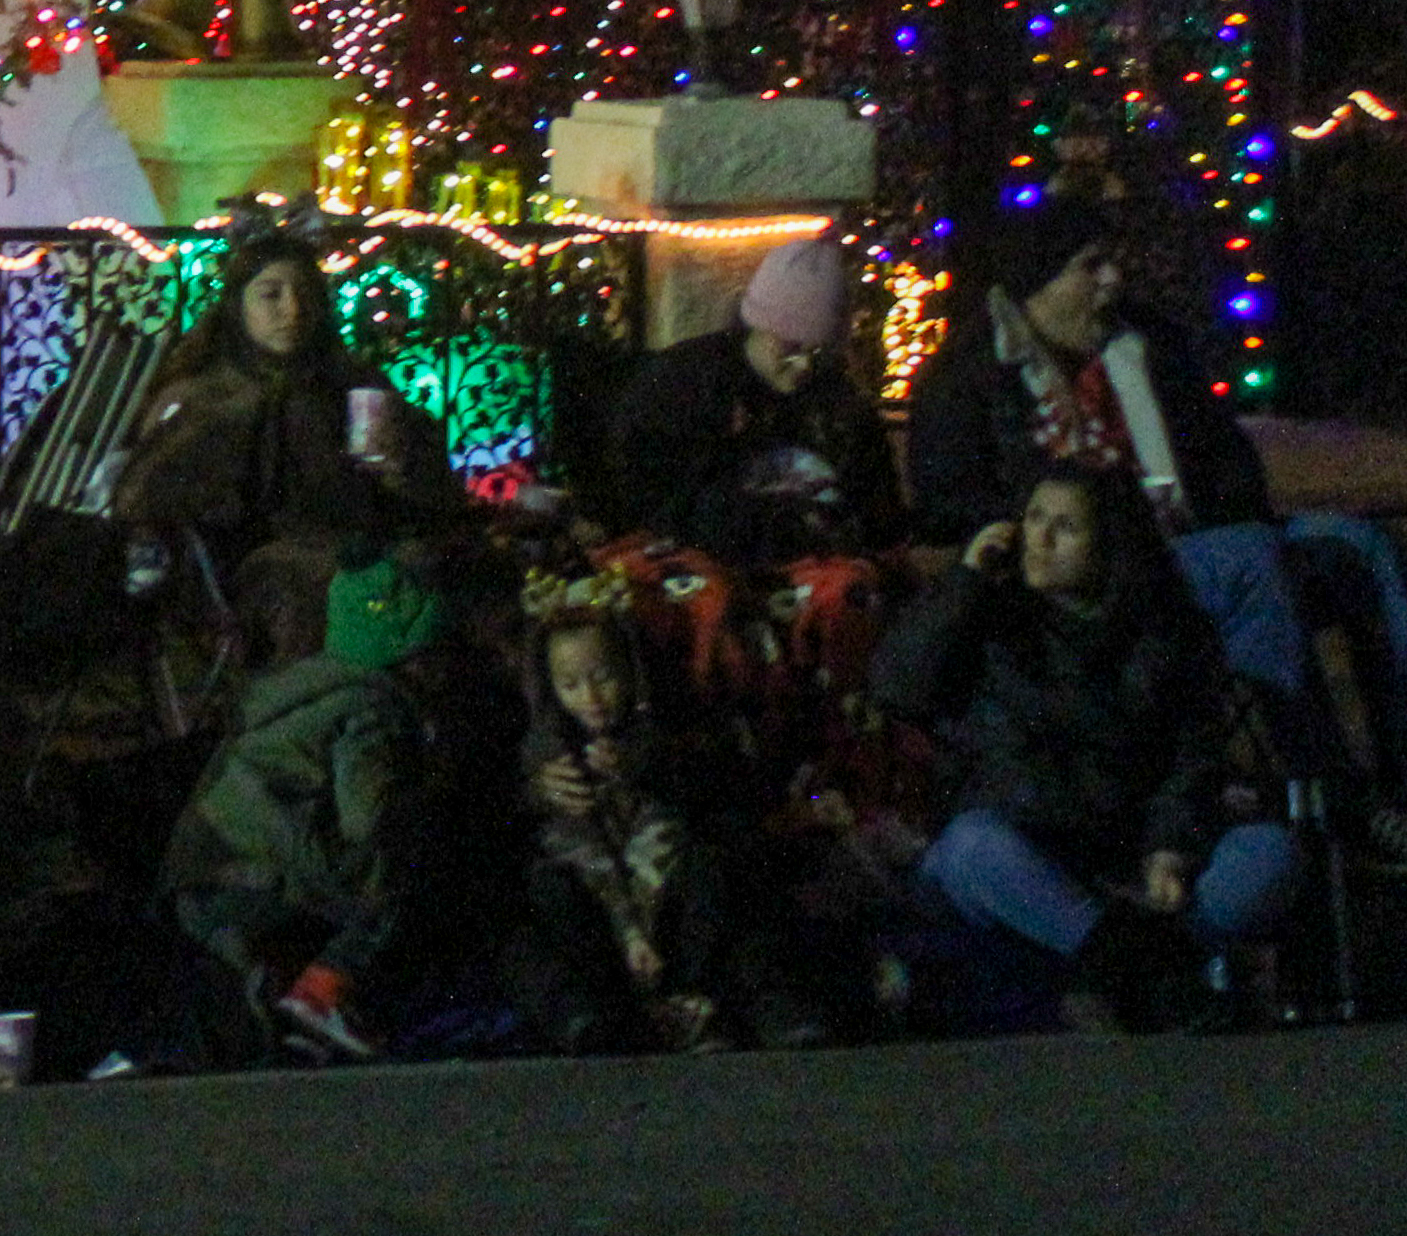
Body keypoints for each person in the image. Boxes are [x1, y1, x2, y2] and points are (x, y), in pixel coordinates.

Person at [904, 201, 1407, 817]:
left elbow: (1228, 457)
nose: (1112, 280)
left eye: (1113, 262)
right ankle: (1326, 788)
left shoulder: (1146, 346)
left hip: (1200, 540)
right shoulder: (967, 379)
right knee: (1251, 563)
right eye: (1091, 267)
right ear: (1038, 285)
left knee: (1363, 547)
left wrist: (1224, 507)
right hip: (1101, 574)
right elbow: (947, 508)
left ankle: (1398, 779)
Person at [873, 463, 1302, 1032]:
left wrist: (1168, 851)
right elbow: (897, 689)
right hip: (1032, 858)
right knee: (972, 850)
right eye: (1033, 519)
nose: (1039, 540)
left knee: (1267, 857)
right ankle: (1150, 974)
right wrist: (965, 580)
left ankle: (1115, 970)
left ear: (1109, 545)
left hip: (1130, 855)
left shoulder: (1165, 630)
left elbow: (1191, 760)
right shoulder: (987, 615)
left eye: (1066, 527)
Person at [160, 553, 466, 1062]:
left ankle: (270, 1001)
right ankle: (323, 995)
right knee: (410, 870)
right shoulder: (373, 706)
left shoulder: (300, 690)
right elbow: (366, 815)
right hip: (258, 874)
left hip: (199, 877)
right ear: (409, 655)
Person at [592, 236, 904, 725]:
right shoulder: (684, 387)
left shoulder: (841, 408)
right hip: (702, 551)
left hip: (810, 564)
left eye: (818, 352)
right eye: (790, 347)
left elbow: (874, 508)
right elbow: (646, 497)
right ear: (758, 325)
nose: (802, 366)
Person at [119, 225, 444, 660]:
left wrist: (400, 471)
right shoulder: (204, 395)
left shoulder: (351, 384)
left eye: (305, 295)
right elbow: (152, 500)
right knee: (314, 589)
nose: (292, 310)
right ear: (239, 306)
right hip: (249, 564)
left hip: (366, 544)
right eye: (271, 295)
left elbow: (420, 487)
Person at [499, 601, 774, 1054]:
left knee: (717, 872)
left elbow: (702, 805)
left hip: (670, 907)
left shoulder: (669, 725)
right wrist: (537, 794)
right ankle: (596, 1019)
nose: (590, 698)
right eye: (570, 685)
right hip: (603, 913)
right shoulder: (544, 749)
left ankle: (725, 1005)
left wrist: (646, 767)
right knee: (541, 894)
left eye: (603, 678)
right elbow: (575, 846)